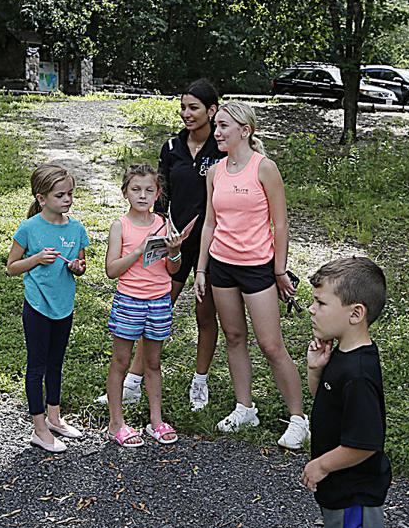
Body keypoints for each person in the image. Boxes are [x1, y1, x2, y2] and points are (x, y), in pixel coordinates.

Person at [194, 101, 310, 450]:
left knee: (271, 345)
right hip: (221, 266)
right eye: (216, 127)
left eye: (224, 127)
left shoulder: (265, 168)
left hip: (258, 267)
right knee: (233, 337)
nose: (217, 133)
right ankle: (245, 406)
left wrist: (279, 269)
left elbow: (281, 224)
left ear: (245, 131)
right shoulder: (214, 172)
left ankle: (298, 418)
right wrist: (200, 269)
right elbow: (210, 223)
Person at [103, 80, 225, 410]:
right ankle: (132, 381)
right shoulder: (172, 147)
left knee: (205, 312)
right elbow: (162, 194)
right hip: (173, 241)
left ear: (211, 110)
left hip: (213, 243)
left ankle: (200, 381)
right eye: (183, 107)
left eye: (194, 107)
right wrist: (157, 234)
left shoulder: (223, 144)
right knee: (156, 306)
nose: (186, 113)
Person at [301, 258, 393, 528]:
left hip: (352, 489)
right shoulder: (342, 355)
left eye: (320, 303)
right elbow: (328, 406)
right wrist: (315, 372)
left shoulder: (358, 373)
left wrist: (321, 464)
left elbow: (364, 444)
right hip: (344, 488)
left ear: (355, 313)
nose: (313, 310)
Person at [5, 163, 88, 454]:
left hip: (64, 307)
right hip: (38, 307)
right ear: (41, 199)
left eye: (70, 194)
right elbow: (11, 268)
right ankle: (39, 428)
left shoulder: (76, 228)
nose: (67, 200)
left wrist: (78, 267)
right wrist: (36, 259)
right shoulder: (29, 228)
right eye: (60, 195)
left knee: (56, 363)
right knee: (37, 366)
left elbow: (79, 265)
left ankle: (54, 417)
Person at [102, 164, 185, 447]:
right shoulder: (120, 226)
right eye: (136, 189)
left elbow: (173, 270)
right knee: (121, 361)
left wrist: (174, 252)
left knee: (153, 362)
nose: (142, 195)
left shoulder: (164, 224)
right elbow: (111, 270)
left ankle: (156, 421)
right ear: (125, 192)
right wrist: (138, 250)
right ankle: (116, 423)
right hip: (129, 301)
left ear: (158, 193)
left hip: (159, 301)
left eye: (149, 190)